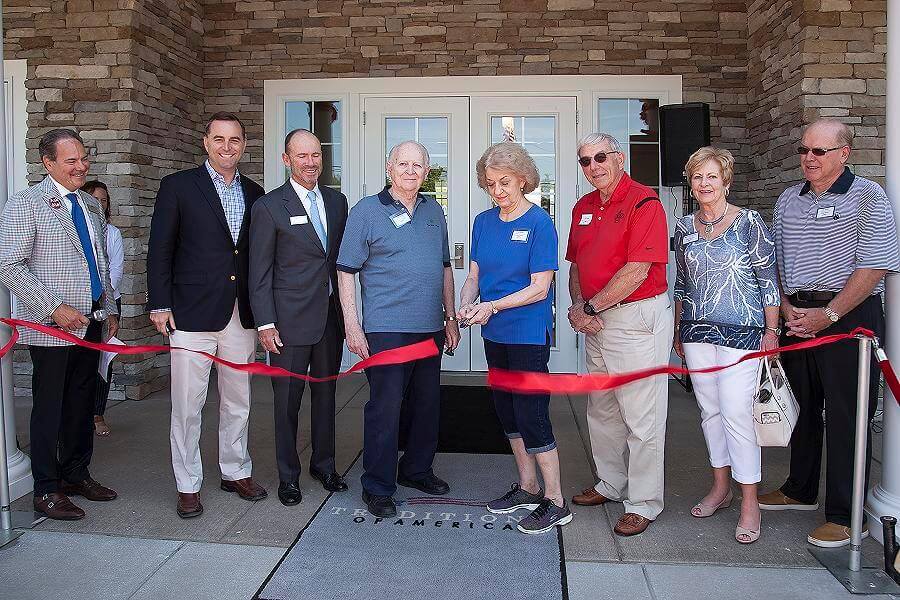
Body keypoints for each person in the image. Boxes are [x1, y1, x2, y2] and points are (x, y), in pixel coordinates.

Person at [759, 119, 900, 547]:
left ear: (844, 153)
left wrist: (829, 314)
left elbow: (874, 266)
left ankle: (844, 514)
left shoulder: (869, 197)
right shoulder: (788, 199)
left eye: (819, 151)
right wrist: (785, 308)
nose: (809, 159)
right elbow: (776, 261)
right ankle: (799, 489)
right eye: (804, 150)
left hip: (848, 317)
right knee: (800, 407)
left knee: (846, 416)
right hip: (796, 317)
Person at [147, 112, 267, 519]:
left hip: (240, 314)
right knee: (187, 403)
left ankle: (235, 471)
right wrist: (159, 303)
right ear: (205, 142)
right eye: (219, 139)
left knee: (238, 399)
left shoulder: (255, 192)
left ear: (244, 144)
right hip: (190, 313)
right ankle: (187, 484)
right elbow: (160, 249)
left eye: (235, 140)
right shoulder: (179, 187)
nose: (227, 147)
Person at [337, 140, 461, 518]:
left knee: (426, 406)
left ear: (427, 172)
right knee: (385, 409)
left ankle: (417, 470)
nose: (411, 170)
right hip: (386, 330)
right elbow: (345, 271)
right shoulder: (366, 212)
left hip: (429, 329)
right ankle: (377, 485)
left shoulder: (433, 211)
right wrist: (352, 327)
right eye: (403, 164)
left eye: (418, 165)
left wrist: (451, 317)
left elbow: (444, 268)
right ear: (389, 168)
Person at [0, 129, 119, 520]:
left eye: (83, 158)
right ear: (48, 163)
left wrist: (110, 305)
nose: (81, 166)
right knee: (50, 408)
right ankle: (46, 489)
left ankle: (75, 474)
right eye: (71, 161)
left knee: (82, 403)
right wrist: (53, 308)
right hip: (54, 327)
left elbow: (98, 260)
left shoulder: (90, 204)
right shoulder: (26, 204)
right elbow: (8, 265)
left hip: (92, 323)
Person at [457, 142, 570, 535]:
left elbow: (541, 288)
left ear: (523, 179)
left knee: (532, 413)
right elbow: (474, 275)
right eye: (490, 184)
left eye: (505, 182)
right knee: (506, 411)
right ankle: (527, 486)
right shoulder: (483, 223)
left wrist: (492, 306)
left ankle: (555, 500)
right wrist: (466, 304)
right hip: (495, 333)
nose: (498, 190)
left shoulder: (540, 223)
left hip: (527, 333)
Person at [566, 132, 672, 536]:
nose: (593, 166)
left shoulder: (644, 201)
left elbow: (638, 270)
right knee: (603, 408)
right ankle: (611, 483)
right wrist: (579, 308)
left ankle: (644, 502)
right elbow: (577, 265)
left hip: (634, 319)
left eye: (599, 157)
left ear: (619, 158)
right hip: (595, 319)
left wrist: (592, 308)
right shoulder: (583, 207)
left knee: (642, 416)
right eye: (584, 161)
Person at [672, 147, 780, 545]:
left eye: (712, 177)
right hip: (698, 330)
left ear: (726, 181)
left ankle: (749, 499)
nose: (704, 184)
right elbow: (682, 283)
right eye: (698, 177)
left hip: (744, 331)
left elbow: (768, 279)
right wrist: (679, 327)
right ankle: (721, 488)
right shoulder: (684, 226)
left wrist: (772, 331)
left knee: (737, 412)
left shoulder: (749, 222)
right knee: (710, 411)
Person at [249, 129, 349, 506]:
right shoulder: (269, 206)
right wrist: (265, 323)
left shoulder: (337, 202)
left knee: (326, 396)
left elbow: (340, 262)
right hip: (287, 323)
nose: (311, 162)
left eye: (316, 155)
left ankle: (324, 465)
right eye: (302, 156)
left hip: (330, 319)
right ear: (286, 159)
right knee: (286, 401)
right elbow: (258, 272)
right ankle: (288, 476)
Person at [82, 180, 123, 437]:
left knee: (102, 362)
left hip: (106, 302)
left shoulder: (112, 233)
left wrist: (105, 301)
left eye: (104, 200)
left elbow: (115, 270)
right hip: (78, 304)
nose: (100, 204)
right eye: (94, 199)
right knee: (80, 362)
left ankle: (98, 413)